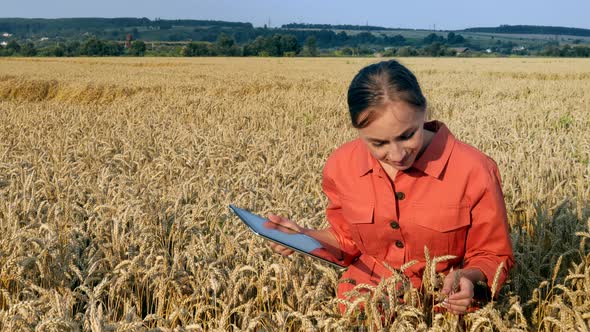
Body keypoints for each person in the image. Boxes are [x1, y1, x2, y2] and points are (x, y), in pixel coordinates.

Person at [265, 59, 514, 315]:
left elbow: (493, 255)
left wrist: (469, 279)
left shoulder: (474, 169)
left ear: (424, 110)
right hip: (366, 307)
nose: (396, 155)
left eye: (407, 135)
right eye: (378, 143)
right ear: (357, 129)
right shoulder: (342, 165)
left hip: (445, 310)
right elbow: (347, 240)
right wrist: (304, 237)